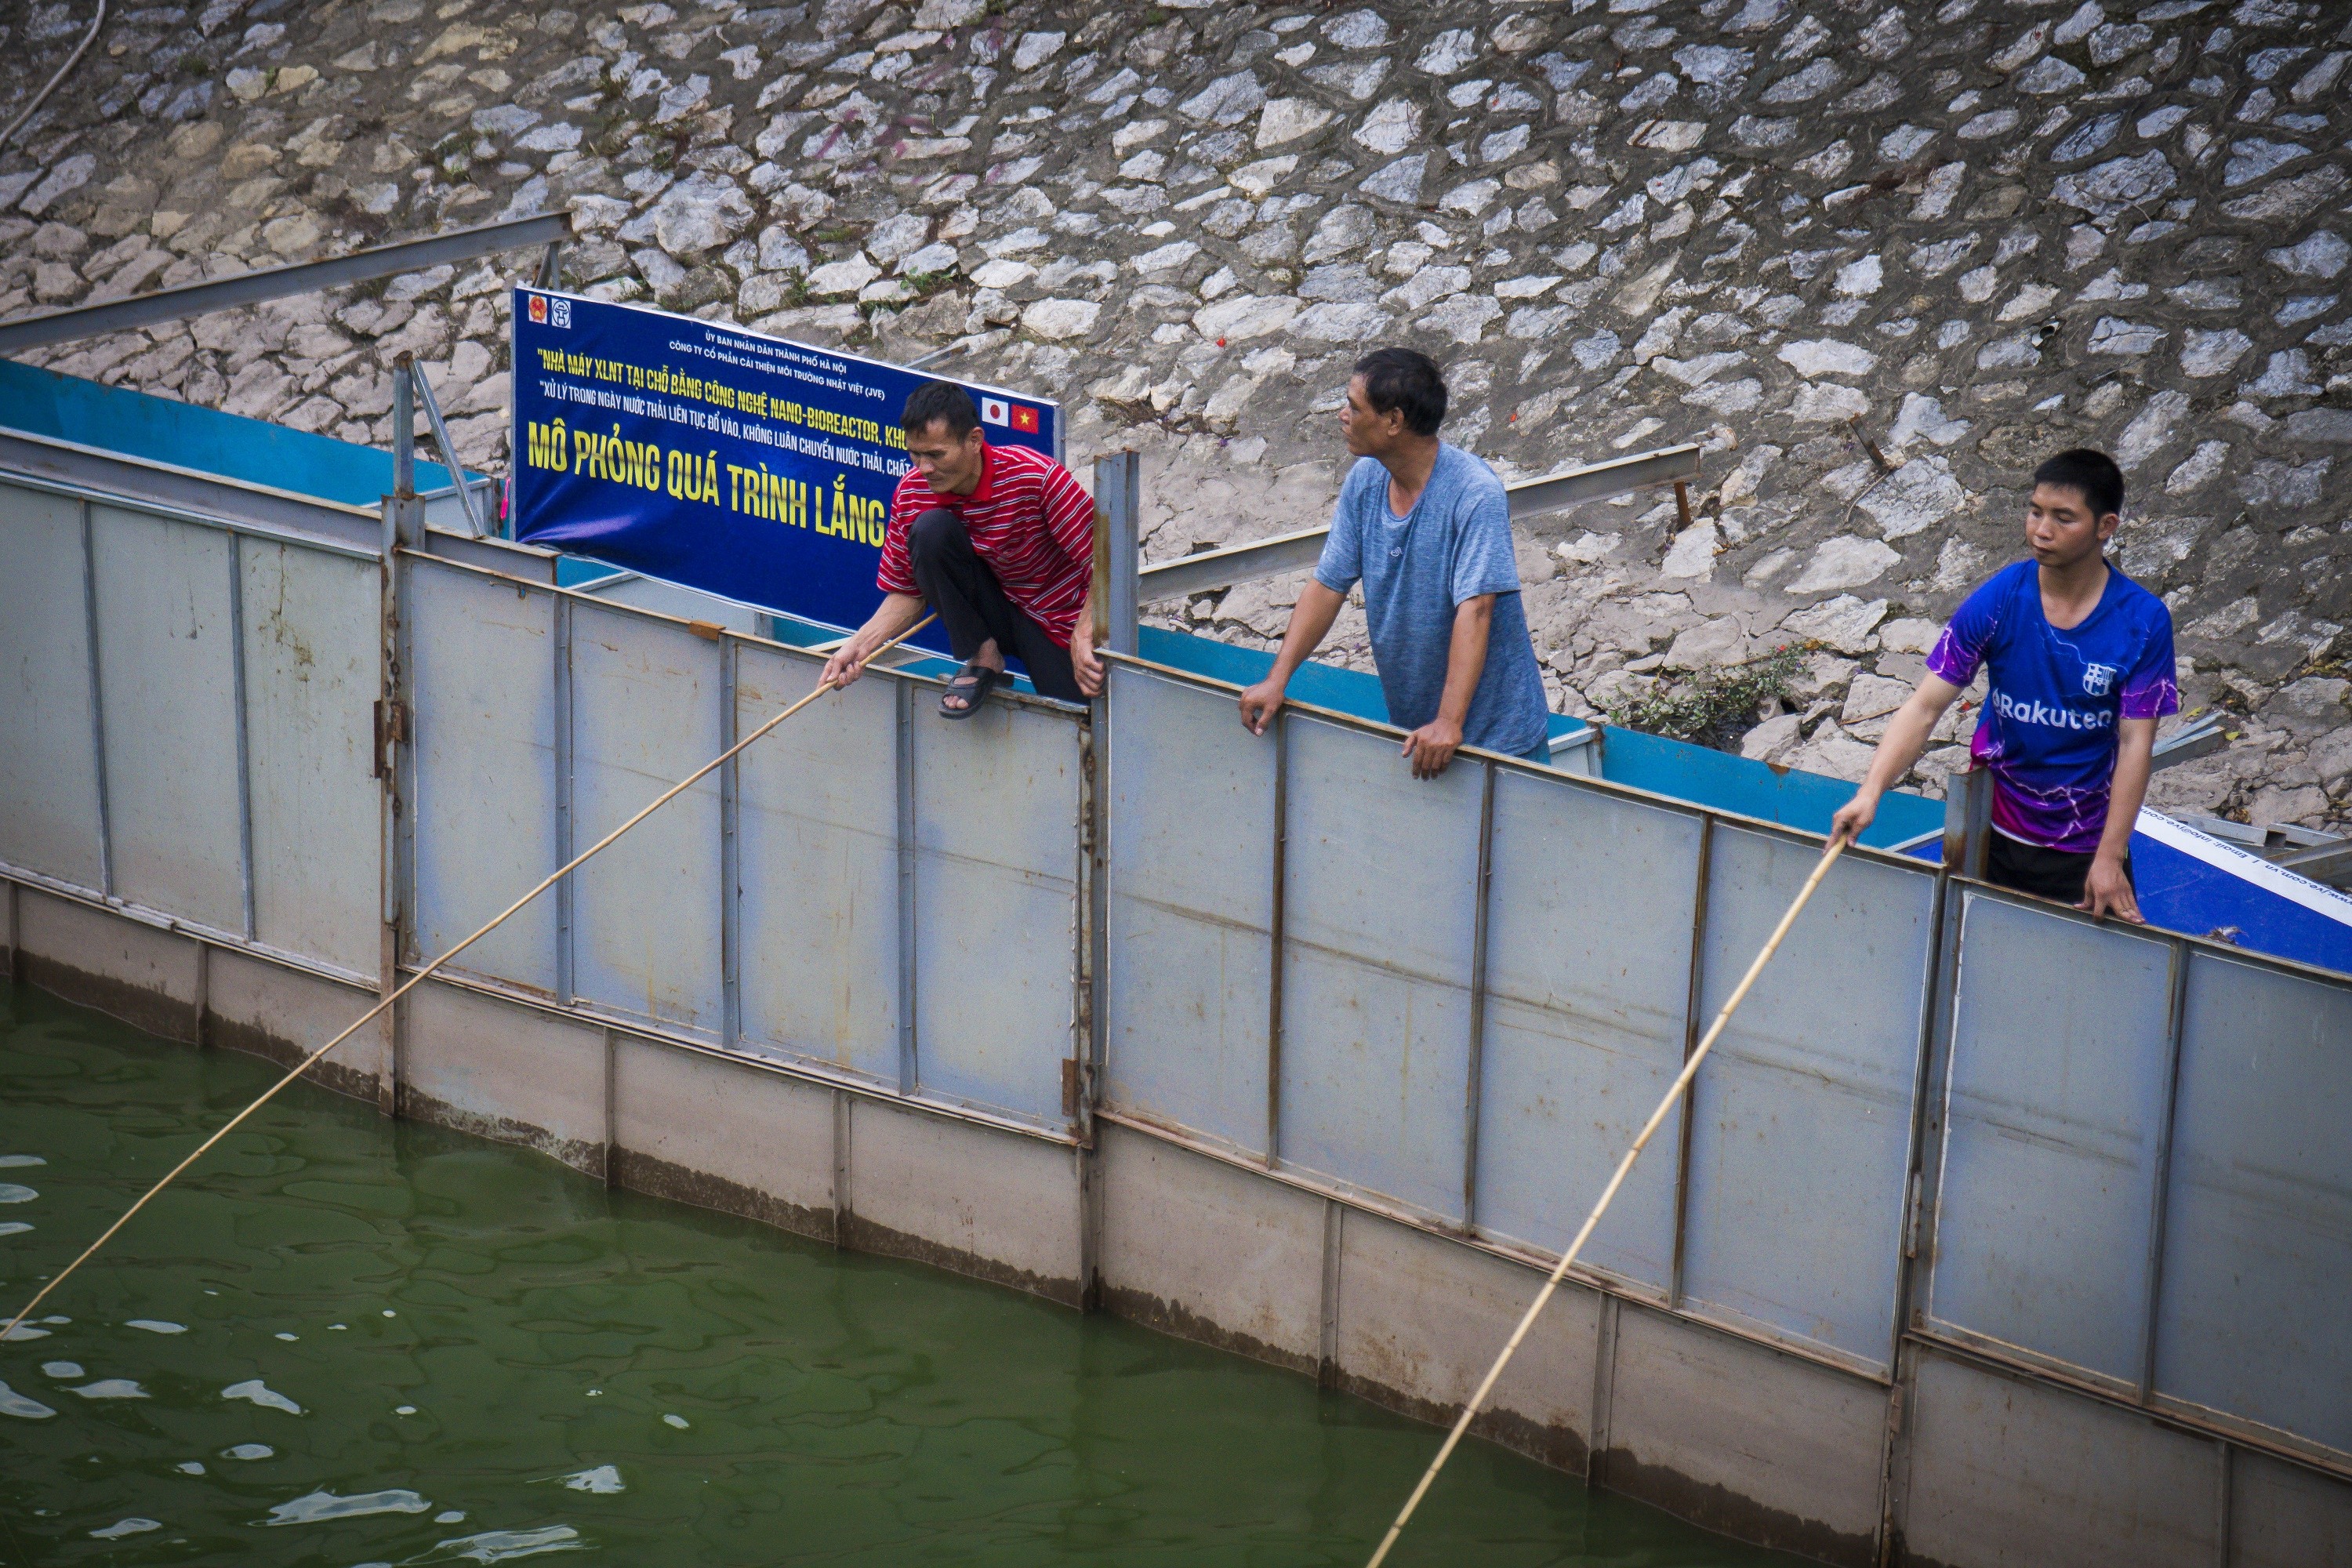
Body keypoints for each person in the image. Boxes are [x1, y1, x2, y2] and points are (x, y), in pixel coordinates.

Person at [1830, 448, 2178, 921]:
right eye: (2035, 511)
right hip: (1989, 835)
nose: (2041, 530)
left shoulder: (2143, 621)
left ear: (2106, 526)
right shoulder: (2000, 598)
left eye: (2063, 517)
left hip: (2083, 848)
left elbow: (2137, 740)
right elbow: (1925, 706)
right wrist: (1871, 792)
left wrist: (2110, 857)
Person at [1237, 347, 1550, 778]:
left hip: (1499, 739)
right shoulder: (1366, 480)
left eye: (1354, 406)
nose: (1342, 415)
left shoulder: (1474, 493)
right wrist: (1278, 679)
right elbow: (1328, 585)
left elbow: (1477, 607)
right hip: (1419, 735)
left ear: (1394, 421)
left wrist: (1449, 722)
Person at [822, 381, 1100, 713]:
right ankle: (984, 655)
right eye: (915, 454)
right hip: (991, 614)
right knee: (931, 530)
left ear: (974, 440)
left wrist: (1085, 633)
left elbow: (1107, 563)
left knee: (1080, 723)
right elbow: (908, 593)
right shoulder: (912, 493)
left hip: (1058, 618)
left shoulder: (1035, 476)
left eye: (936, 455)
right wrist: (859, 646)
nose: (924, 468)